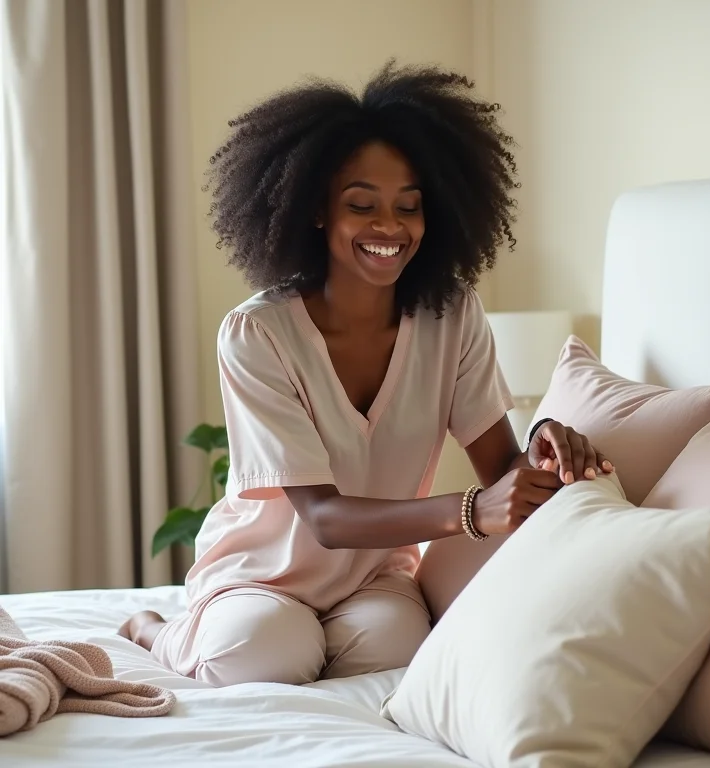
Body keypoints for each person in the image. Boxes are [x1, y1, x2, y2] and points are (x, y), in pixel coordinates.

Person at [120, 62, 612, 687]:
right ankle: (153, 629)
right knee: (257, 656)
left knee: (395, 652)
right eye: (362, 205)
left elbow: (499, 470)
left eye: (410, 206)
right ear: (316, 210)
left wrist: (543, 448)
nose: (390, 227)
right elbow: (325, 517)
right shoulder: (256, 334)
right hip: (263, 575)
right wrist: (471, 510)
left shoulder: (452, 315)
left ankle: (314, 634)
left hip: (374, 575)